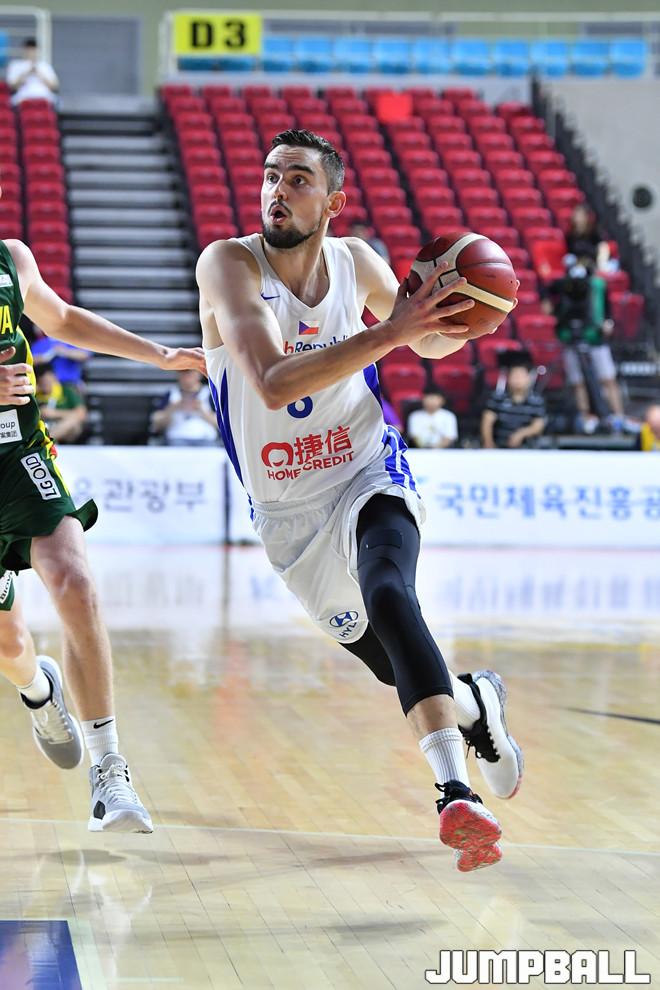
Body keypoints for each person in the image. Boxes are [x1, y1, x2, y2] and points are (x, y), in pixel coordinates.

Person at [196, 129, 523, 873]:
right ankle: (477, 703)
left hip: (365, 466)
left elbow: (427, 343)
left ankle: (453, 794)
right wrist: (394, 333)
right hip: (287, 511)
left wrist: (464, 312)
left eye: (298, 179)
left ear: (334, 202)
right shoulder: (228, 265)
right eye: (271, 176)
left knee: (389, 591)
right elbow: (271, 381)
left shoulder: (356, 262)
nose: (278, 191)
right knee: (391, 665)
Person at [0, 231, 205, 833]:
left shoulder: (11, 258)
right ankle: (39, 693)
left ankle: (109, 771)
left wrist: (160, 355)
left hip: (18, 456)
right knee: (9, 646)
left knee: (75, 581)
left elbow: (62, 318)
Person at [546, 255, 626, 429]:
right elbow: (549, 297)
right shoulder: (563, 285)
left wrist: (608, 322)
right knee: (578, 382)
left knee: (608, 378)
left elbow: (607, 308)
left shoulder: (598, 285)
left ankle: (618, 416)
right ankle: (586, 418)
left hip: (596, 337)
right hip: (571, 337)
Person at [481, 355, 546, 449]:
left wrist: (521, 434)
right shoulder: (498, 397)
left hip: (527, 450)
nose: (517, 380)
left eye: (521, 376)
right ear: (509, 378)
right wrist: (488, 442)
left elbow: (538, 425)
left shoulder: (536, 401)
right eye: (515, 376)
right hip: (499, 448)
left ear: (528, 378)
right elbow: (487, 420)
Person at [150, 368, 218, 446]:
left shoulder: (210, 394)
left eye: (190, 372)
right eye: (183, 372)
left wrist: (201, 410)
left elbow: (221, 424)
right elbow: (156, 422)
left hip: (205, 438)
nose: (187, 375)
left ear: (199, 374)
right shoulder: (171, 393)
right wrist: (172, 408)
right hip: (176, 438)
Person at [35, 362, 87, 443]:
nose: (45, 384)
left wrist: (54, 413)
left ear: (54, 377)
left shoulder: (66, 391)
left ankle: (46, 441)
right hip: (43, 427)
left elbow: (81, 414)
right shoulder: (35, 394)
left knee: (72, 421)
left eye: (47, 381)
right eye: (42, 382)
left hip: (64, 429)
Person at [6, 37, 59, 106]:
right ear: (24, 50)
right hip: (23, 97)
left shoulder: (45, 65)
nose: (31, 52)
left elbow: (55, 86)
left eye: (33, 50)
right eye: (29, 49)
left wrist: (38, 73)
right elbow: (12, 87)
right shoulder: (15, 65)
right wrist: (27, 73)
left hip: (44, 96)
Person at [565, 204, 611, 272]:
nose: (578, 219)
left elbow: (602, 246)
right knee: (570, 261)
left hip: (594, 262)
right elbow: (571, 254)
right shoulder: (570, 236)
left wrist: (600, 262)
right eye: (576, 216)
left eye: (580, 216)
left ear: (586, 217)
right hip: (579, 265)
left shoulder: (594, 232)